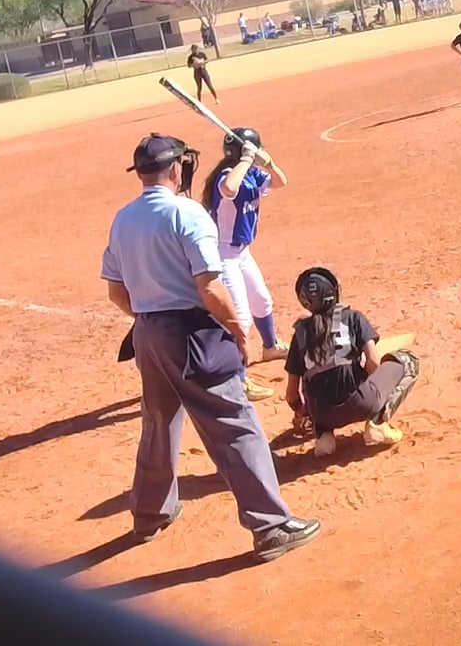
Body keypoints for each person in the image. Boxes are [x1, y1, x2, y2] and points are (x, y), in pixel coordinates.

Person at [101, 134, 320, 559]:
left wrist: (149, 318)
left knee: (159, 422)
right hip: (191, 335)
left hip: (147, 335)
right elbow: (210, 286)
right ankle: (271, 527)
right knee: (235, 423)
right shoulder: (187, 213)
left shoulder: (123, 219)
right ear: (176, 168)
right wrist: (239, 330)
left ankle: (149, 514)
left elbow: (116, 292)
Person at [283, 267, 420, 457]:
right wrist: (370, 392)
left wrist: (304, 412)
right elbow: (373, 362)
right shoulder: (352, 317)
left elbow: (291, 395)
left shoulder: (300, 333)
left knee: (311, 376)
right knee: (407, 359)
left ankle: (323, 435)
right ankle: (378, 423)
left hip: (322, 415)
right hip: (360, 402)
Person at [202, 128, 290, 391]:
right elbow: (229, 189)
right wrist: (246, 160)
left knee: (262, 300)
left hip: (242, 253)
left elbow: (280, 182)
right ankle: (238, 379)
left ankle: (270, 346)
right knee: (239, 316)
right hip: (224, 255)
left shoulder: (252, 174)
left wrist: (268, 163)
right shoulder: (227, 175)